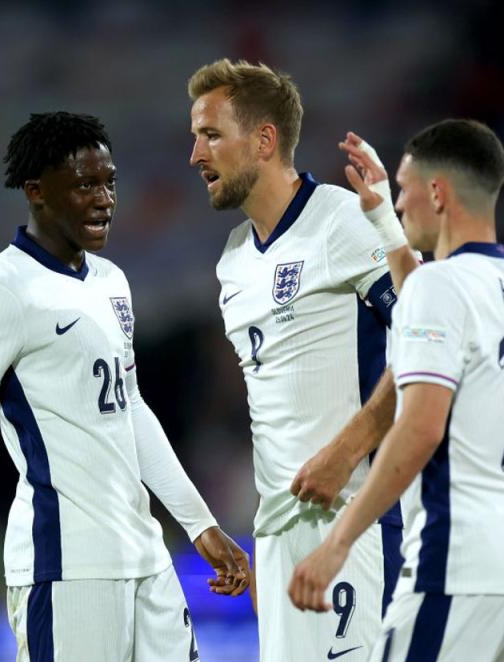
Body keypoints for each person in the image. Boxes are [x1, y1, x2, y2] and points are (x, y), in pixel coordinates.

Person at [0, 112, 250, 661]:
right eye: (84, 185)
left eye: (109, 183)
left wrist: (200, 524)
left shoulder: (110, 282)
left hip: (146, 556)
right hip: (66, 567)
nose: (104, 199)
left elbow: (130, 411)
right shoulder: (1, 292)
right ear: (37, 192)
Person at [288, 119, 504, 661]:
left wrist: (339, 542)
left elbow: (421, 427)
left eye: (405, 190)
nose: (400, 203)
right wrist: (384, 217)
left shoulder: (441, 287)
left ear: (437, 192)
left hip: (457, 556)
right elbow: (428, 305)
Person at [187, 59, 418, 660]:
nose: (195, 155)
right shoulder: (232, 262)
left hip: (358, 524)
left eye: (211, 134)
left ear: (264, 140)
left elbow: (433, 339)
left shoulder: (343, 220)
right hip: (280, 541)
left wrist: (348, 449)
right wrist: (268, 538)